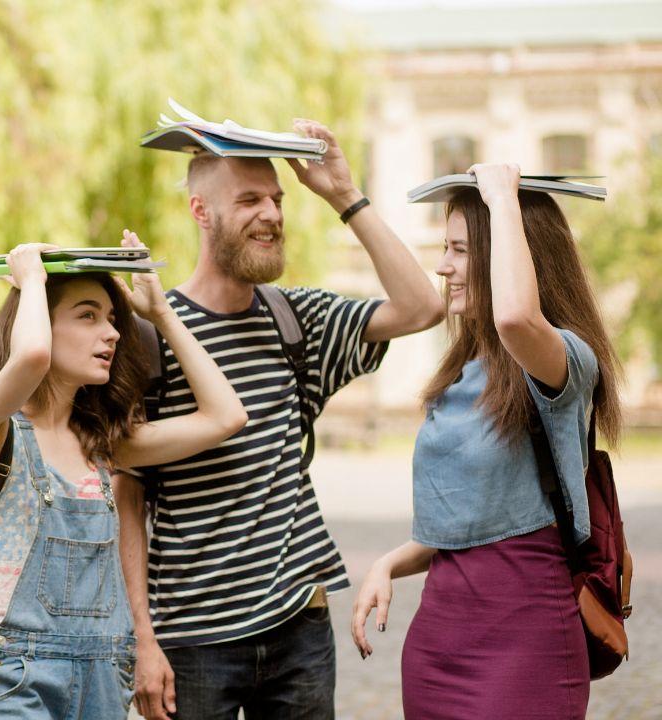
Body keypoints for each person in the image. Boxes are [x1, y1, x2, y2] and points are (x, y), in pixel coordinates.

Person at [117, 119, 446, 720]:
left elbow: (423, 306)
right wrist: (142, 638)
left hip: (300, 626)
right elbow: (127, 498)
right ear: (201, 211)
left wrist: (344, 195)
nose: (271, 213)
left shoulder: (298, 319)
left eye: (277, 199)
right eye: (248, 200)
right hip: (192, 639)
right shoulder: (149, 333)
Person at [350, 163, 622, 719]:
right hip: (439, 640)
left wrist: (501, 195)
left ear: (515, 251)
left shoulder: (565, 358)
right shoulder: (462, 371)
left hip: (526, 636)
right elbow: (473, 522)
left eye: (460, 250)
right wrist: (389, 564)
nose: (442, 266)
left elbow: (517, 317)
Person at [0, 233, 248, 719]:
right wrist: (29, 280)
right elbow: (29, 359)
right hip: (16, 677)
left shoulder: (102, 445)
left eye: (111, 319)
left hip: (104, 675)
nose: (110, 333)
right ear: (40, 321)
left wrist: (163, 314)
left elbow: (225, 416)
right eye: (87, 316)